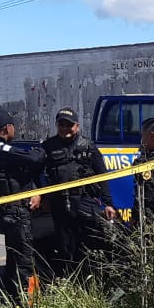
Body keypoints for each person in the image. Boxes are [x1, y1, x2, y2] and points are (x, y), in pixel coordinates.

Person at [0, 109, 46, 297]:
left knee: (14, 255)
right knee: (24, 256)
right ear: (8, 128)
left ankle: (13, 296)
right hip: (16, 210)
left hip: (9, 209)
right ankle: (31, 300)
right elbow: (33, 158)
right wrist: (40, 151)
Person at [42, 107, 115, 274]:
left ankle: (89, 282)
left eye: (69, 125)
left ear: (77, 126)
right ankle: (69, 280)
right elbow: (40, 174)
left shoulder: (88, 147)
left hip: (85, 202)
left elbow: (102, 176)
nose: (65, 129)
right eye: (61, 124)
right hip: (60, 204)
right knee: (65, 245)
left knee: (88, 242)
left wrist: (108, 204)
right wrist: (43, 196)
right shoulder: (48, 147)